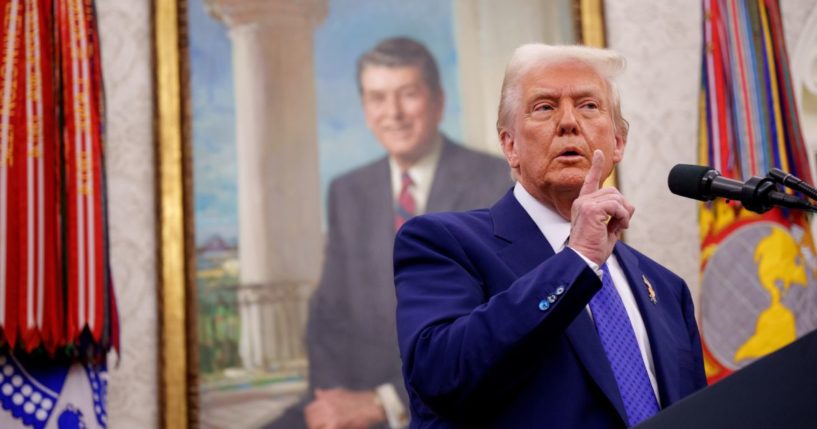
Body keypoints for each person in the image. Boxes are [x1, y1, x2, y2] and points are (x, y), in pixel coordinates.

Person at [393, 44, 707, 428]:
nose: (569, 122)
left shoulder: (666, 289)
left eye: (589, 106)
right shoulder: (443, 242)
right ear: (510, 145)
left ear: (618, 143)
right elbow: (439, 376)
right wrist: (577, 260)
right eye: (544, 107)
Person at [267, 38, 511, 429]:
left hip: (458, 403)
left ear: (437, 101)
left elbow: (501, 322)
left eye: (408, 95)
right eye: (377, 98)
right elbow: (327, 313)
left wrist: (386, 403)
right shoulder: (348, 191)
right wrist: (333, 400)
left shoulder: (496, 181)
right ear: (365, 108)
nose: (393, 113)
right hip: (356, 400)